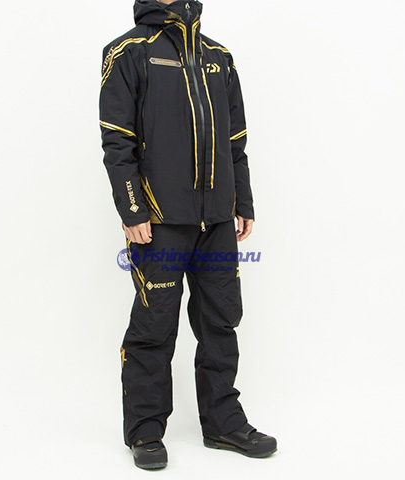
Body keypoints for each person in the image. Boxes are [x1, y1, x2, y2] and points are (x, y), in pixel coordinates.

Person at [99, 0, 277, 469]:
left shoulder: (219, 57)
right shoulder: (128, 51)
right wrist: (132, 208)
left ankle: (223, 423)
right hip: (158, 221)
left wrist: (242, 202)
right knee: (154, 326)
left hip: (216, 221)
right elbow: (117, 138)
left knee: (221, 321)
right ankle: (144, 430)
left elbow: (236, 139)